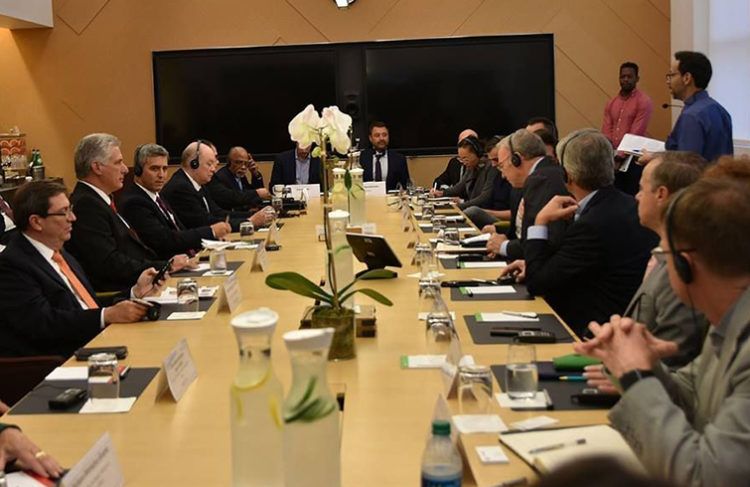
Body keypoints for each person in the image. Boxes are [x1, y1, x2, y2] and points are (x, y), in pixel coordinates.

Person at [575, 176, 750, 486]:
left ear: (685, 265)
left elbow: (702, 478)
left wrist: (636, 376)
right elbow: (693, 398)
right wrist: (642, 365)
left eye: (662, 254)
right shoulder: (726, 321)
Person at [502, 129, 657, 336]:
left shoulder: (592, 224)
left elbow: (537, 283)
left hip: (589, 332)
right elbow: (579, 261)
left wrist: (540, 222)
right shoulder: (627, 205)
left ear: (567, 175)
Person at [0, 181, 163, 358]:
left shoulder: (61, 253)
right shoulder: (13, 264)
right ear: (36, 222)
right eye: (64, 212)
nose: (73, 218)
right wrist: (105, 315)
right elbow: (42, 323)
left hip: (99, 341)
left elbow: (85, 304)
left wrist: (134, 293)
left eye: (70, 209)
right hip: (62, 360)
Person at [65, 133, 188, 292]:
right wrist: (165, 266)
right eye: (118, 162)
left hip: (143, 282)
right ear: (97, 167)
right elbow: (109, 263)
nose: (124, 169)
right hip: (123, 294)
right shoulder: (86, 205)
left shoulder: (101, 199)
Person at [625, 151, 709, 368]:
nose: (637, 196)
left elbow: (673, 356)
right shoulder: (663, 253)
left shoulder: (684, 267)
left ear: (661, 194)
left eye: (642, 188)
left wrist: (625, 368)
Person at [120, 144, 231, 258]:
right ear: (138, 170)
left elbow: (180, 230)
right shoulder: (134, 202)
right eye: (155, 169)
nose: (161, 175)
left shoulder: (157, 196)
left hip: (189, 259)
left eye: (164, 168)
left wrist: (211, 240)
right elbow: (165, 240)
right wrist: (210, 231)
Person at [485, 129, 568, 261]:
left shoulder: (544, 180)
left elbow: (548, 241)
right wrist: (502, 240)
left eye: (501, 166)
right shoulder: (524, 184)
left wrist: (504, 246)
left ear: (516, 159)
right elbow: (518, 233)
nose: (502, 174)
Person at [161, 140, 273, 232]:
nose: (214, 168)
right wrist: (249, 222)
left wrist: (254, 215)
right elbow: (206, 222)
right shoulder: (181, 187)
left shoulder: (198, 184)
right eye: (209, 164)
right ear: (193, 164)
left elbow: (218, 212)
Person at [642, 51, 733, 163]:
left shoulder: (691, 116)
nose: (667, 81)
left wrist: (655, 161)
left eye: (671, 75)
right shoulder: (720, 110)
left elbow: (685, 167)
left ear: (687, 78)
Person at [430, 136, 497, 210]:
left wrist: (460, 206)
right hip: (471, 207)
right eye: (461, 159)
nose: (463, 163)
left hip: (484, 210)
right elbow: (459, 187)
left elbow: (484, 198)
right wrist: (441, 193)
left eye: (465, 159)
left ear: (477, 153)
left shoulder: (491, 167)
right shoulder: (471, 167)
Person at [461, 136, 513, 228]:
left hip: (505, 221)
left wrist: (487, 212)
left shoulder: (518, 178)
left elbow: (518, 214)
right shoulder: (497, 174)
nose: (493, 164)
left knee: (473, 212)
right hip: (492, 214)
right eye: (491, 160)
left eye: (496, 160)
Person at [601, 62, 654, 150]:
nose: (625, 79)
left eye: (629, 77)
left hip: (632, 154)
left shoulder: (644, 101)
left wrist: (621, 154)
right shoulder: (611, 103)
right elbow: (606, 130)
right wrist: (609, 152)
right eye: (623, 77)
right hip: (611, 153)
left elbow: (636, 132)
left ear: (637, 79)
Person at [207, 145, 268, 211]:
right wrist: (256, 193)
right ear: (229, 161)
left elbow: (254, 195)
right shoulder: (221, 177)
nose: (243, 167)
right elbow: (234, 198)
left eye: (246, 163)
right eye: (239, 162)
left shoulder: (240, 176)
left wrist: (255, 174)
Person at [360, 121, 411, 191]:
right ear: (370, 138)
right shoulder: (362, 158)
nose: (381, 138)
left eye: (384, 135)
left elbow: (406, 185)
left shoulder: (399, 159)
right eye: (377, 135)